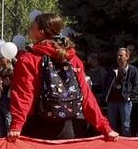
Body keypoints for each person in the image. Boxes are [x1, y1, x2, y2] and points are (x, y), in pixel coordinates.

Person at [7, 12, 117, 142]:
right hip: (67, 128)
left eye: (32, 27)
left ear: (40, 33)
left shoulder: (28, 59)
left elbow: (24, 95)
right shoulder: (73, 59)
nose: (29, 29)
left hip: (35, 128)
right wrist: (105, 128)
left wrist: (16, 125)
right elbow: (86, 96)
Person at [103, 47, 138, 137]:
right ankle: (112, 141)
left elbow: (137, 86)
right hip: (112, 101)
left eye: (121, 56)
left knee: (126, 124)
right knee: (111, 124)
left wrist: (129, 96)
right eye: (117, 56)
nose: (118, 58)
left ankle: (126, 141)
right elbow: (106, 83)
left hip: (125, 101)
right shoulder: (112, 69)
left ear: (127, 57)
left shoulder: (132, 70)